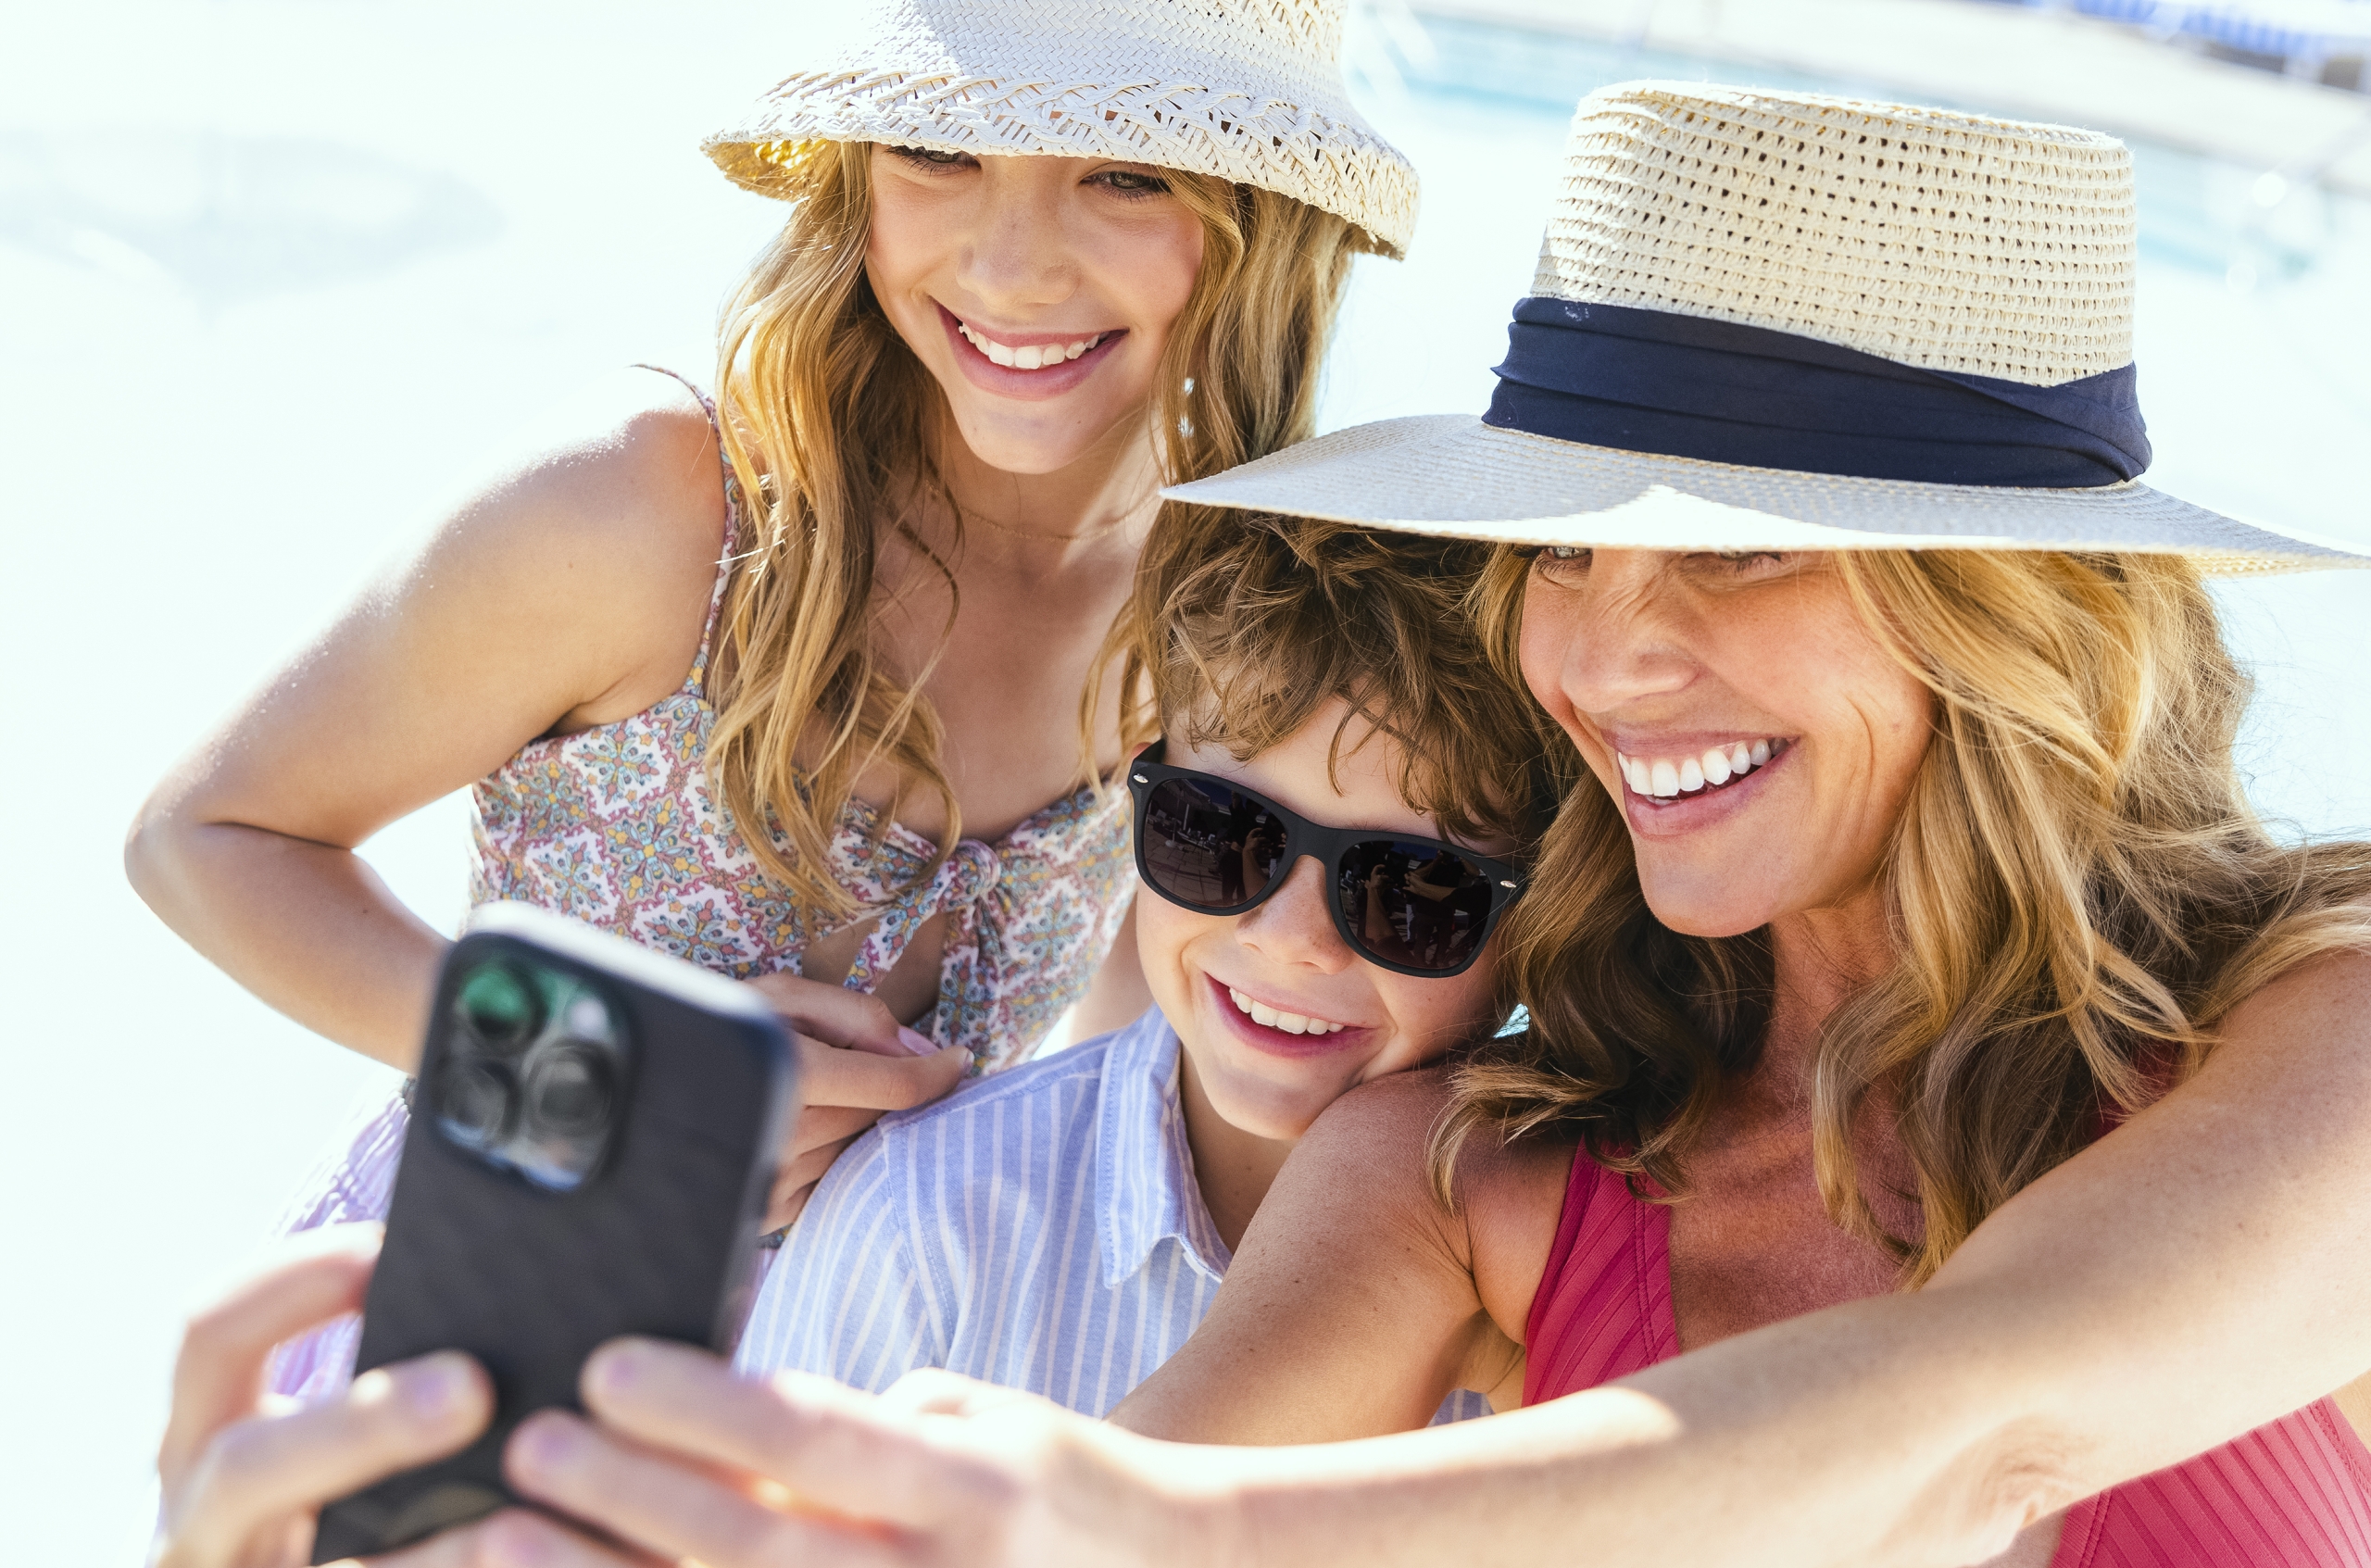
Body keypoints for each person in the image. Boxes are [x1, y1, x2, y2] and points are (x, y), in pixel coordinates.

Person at [148, 83, 2371, 1568]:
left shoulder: (2315, 1021)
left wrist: (1136, 1522)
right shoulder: (1457, 1161)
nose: (1608, 654)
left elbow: (1987, 1405)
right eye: (1568, 556)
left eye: (1735, 552)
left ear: (2011, 616)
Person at [121, 0, 1414, 1393]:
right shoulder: (658, 510)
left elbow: (1116, 1063)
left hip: (844, 1426)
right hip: (457, 1382)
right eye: (939, 150)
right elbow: (205, 839)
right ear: (857, 173)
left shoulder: (1207, 610)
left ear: (1263, 221)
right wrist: (617, 1086)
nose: (1013, 263)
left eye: (1127, 172)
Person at [734, 516, 1565, 1419]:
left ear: (1542, 918)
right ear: (1146, 791)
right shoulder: (918, 1220)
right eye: (1219, 831)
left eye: (1412, 889)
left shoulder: (1578, 1283)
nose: (1289, 937)